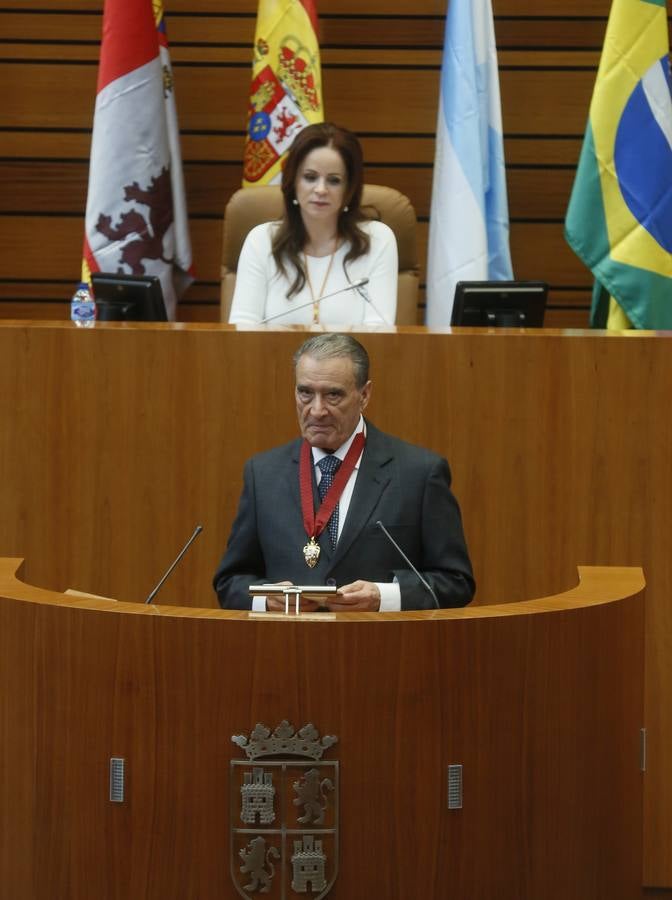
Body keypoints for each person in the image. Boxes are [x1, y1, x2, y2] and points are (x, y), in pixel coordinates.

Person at [213, 333, 475, 612]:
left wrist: (383, 597)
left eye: (333, 395)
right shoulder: (262, 474)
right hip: (289, 647)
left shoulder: (419, 473)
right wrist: (265, 598)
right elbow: (230, 581)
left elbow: (456, 582)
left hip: (380, 647)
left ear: (364, 395)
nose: (317, 410)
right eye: (305, 392)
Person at [228, 123, 398, 326]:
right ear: (293, 181)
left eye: (334, 180)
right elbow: (242, 331)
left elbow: (379, 335)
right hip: (271, 357)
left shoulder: (377, 241)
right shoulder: (262, 241)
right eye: (310, 177)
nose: (321, 189)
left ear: (349, 188)